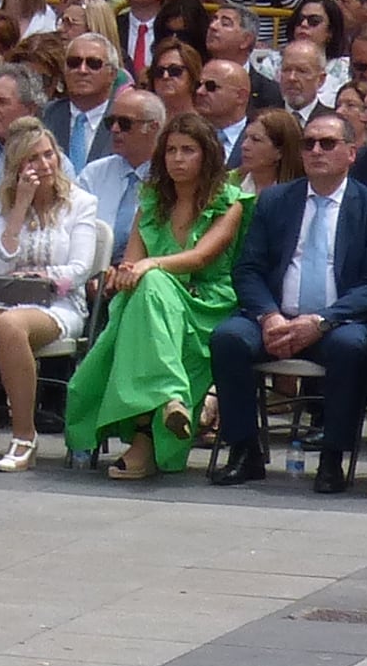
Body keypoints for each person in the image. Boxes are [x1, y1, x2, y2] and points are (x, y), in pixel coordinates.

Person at [210, 102, 367, 492]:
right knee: (228, 338)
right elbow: (248, 269)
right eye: (309, 143)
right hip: (277, 317)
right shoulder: (277, 200)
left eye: (327, 144)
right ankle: (244, 451)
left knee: (352, 347)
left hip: (336, 322)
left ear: (351, 153)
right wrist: (268, 316)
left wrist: (321, 321)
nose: (315, 151)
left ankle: (333, 458)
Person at [64, 108, 245, 481]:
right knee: (148, 290)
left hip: (205, 302)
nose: (178, 159)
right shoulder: (151, 201)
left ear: (207, 154)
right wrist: (127, 273)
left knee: (151, 287)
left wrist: (148, 267)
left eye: (188, 150)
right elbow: (133, 263)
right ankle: (167, 403)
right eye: (171, 151)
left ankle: (149, 426)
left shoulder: (230, 202)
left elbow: (201, 257)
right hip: (154, 302)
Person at [0, 122, 100, 473]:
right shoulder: (3, 202)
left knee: (10, 326)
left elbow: (80, 267)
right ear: (18, 167)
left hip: (57, 301)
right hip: (8, 294)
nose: (45, 164)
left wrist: (42, 276)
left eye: (49, 154)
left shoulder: (81, 203)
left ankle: (24, 435)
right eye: (33, 158)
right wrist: (20, 207)